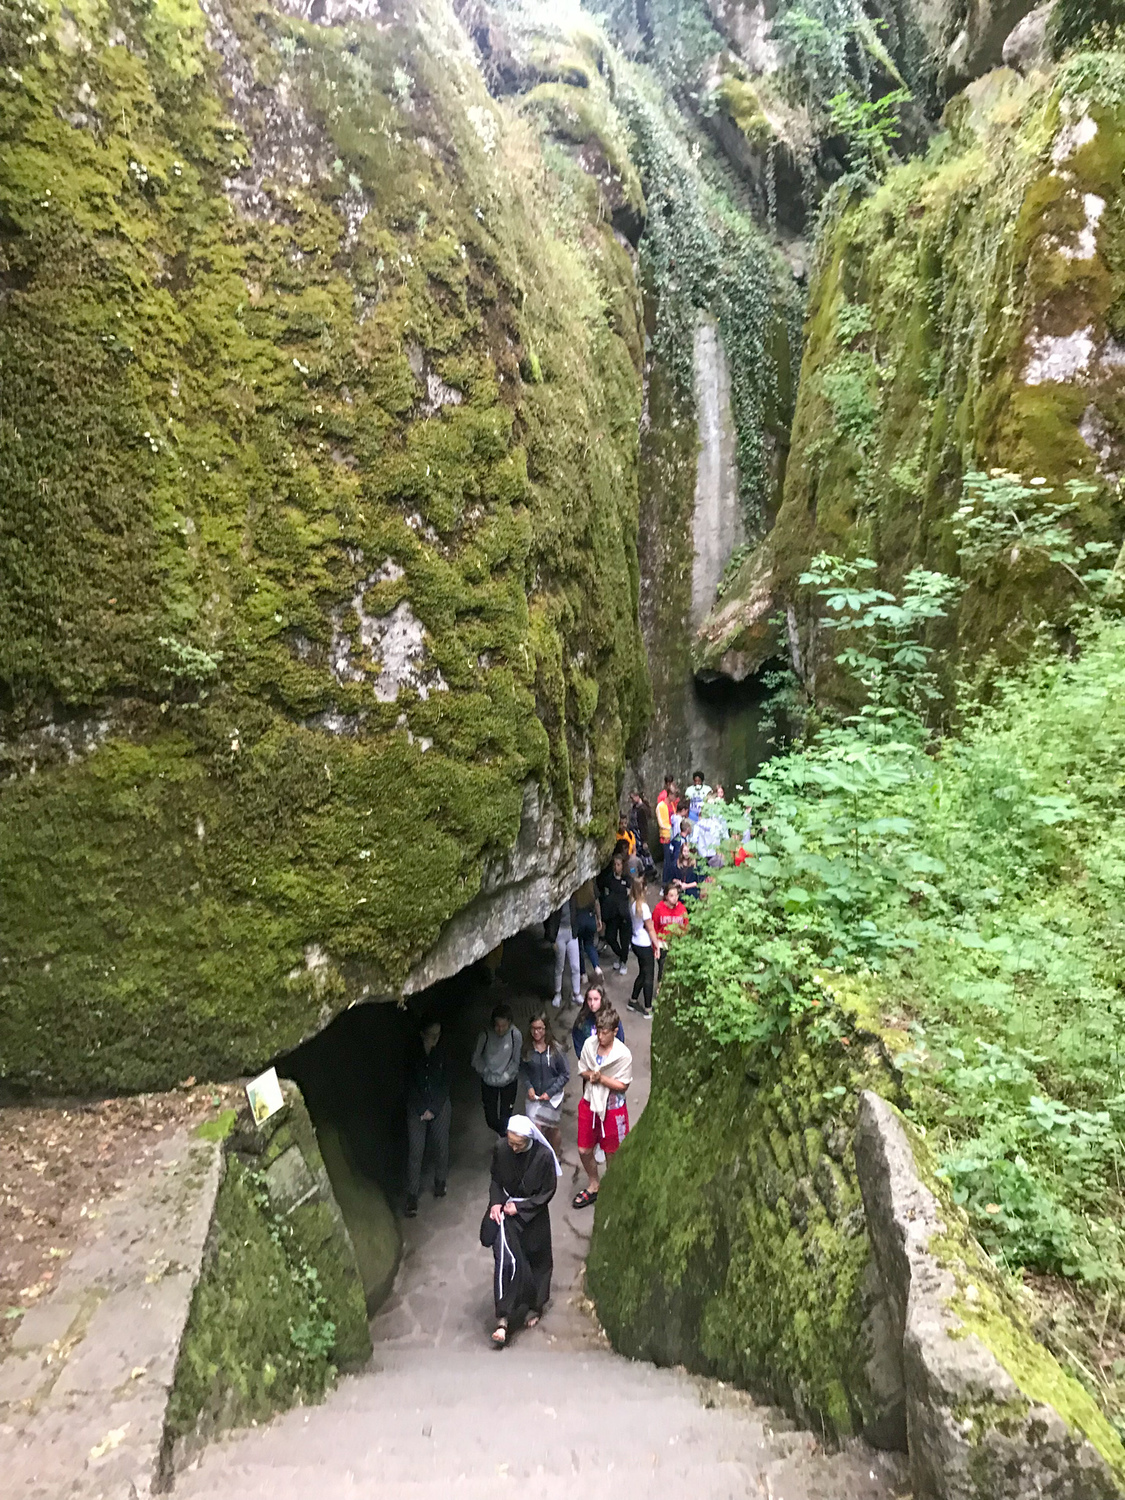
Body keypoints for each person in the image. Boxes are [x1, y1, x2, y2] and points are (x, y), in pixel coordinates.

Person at [483, 1115, 560, 1346]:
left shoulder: (543, 1157)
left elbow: (547, 1191)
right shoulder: (501, 1149)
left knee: (538, 1260)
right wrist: (496, 1203)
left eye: (518, 1144)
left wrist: (522, 1207)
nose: (514, 1148)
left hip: (533, 1215)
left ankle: (535, 1306)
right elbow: (496, 1180)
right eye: (511, 1143)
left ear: (529, 1140)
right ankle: (503, 1317)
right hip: (507, 1213)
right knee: (506, 1261)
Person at [572, 1008, 632, 1209]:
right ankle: (594, 1184)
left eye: (605, 1032)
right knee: (584, 1149)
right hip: (590, 1102)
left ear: (615, 1031)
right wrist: (591, 1076)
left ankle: (613, 1187)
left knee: (613, 1152)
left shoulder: (623, 1055)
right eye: (598, 1031)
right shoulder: (589, 1045)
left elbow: (623, 1085)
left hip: (613, 1108)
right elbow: (582, 1069)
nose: (600, 1036)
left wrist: (601, 1079)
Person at [405, 1018, 451, 1218]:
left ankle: (440, 1182)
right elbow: (408, 1082)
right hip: (416, 1107)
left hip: (439, 1105)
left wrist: (433, 1108)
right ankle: (412, 1195)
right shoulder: (411, 1053)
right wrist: (421, 1108)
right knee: (416, 1151)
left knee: (441, 1145)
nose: (435, 1039)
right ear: (422, 1034)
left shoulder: (443, 1051)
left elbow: (446, 1081)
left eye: (438, 1035)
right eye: (432, 1035)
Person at [519, 1013, 569, 1157]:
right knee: (536, 1129)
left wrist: (551, 1092)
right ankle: (540, 1158)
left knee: (552, 1129)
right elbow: (523, 1070)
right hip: (534, 1097)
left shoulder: (556, 1050)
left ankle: (555, 1156)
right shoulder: (527, 1049)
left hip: (552, 1098)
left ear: (546, 1028)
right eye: (533, 1028)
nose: (536, 1032)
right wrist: (528, 1086)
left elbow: (565, 1074)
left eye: (540, 1028)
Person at [472, 1004, 522, 1135]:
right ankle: (503, 1134)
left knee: (506, 1118)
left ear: (509, 1023)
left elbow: (516, 1060)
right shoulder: (485, 1035)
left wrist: (506, 1075)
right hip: (489, 1081)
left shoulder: (515, 1035)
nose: (500, 1029)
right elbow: (476, 1058)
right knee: (491, 1119)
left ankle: (505, 1138)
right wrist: (485, 1072)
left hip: (508, 1082)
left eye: (504, 1026)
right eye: (497, 1025)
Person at [627, 876, 661, 1017]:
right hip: (644, 943)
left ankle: (633, 1000)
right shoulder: (644, 907)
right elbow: (650, 928)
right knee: (649, 975)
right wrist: (657, 945)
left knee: (642, 972)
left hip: (636, 941)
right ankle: (648, 1008)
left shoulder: (633, 904)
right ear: (644, 889)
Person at [597, 851, 632, 974]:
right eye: (615, 864)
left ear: (622, 865)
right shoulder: (609, 879)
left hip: (623, 915)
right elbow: (601, 887)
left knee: (624, 940)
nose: (616, 867)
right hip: (612, 914)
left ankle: (623, 962)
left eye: (618, 864)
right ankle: (621, 955)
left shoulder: (627, 879)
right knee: (610, 937)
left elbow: (629, 894)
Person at [545, 897, 582, 1009]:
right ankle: (557, 994)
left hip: (571, 932)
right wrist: (552, 940)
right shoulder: (556, 900)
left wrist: (576, 930)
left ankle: (576, 993)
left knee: (575, 966)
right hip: (559, 933)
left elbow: (576, 913)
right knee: (559, 966)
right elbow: (549, 920)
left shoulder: (572, 898)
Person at [571, 983, 624, 1059]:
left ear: (602, 1000)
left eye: (596, 999)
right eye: (589, 999)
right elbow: (578, 1043)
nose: (592, 1003)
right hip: (588, 1060)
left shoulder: (611, 1018)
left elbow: (620, 1042)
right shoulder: (582, 1020)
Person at [652, 882, 689, 985]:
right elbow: (654, 928)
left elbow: (686, 927)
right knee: (663, 967)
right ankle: (660, 987)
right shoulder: (659, 909)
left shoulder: (682, 909)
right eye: (671, 895)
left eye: (676, 895)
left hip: (676, 944)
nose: (675, 898)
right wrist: (655, 947)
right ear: (666, 896)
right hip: (663, 943)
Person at [573, 879, 604, 983]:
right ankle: (597, 968)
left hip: (578, 919)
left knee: (579, 948)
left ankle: (583, 974)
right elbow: (597, 903)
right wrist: (599, 918)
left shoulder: (574, 887)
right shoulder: (590, 884)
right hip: (590, 918)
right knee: (589, 945)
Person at [655, 775, 675, 871]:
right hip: (666, 836)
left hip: (673, 835)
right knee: (667, 860)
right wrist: (670, 828)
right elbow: (661, 822)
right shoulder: (661, 804)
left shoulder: (672, 804)